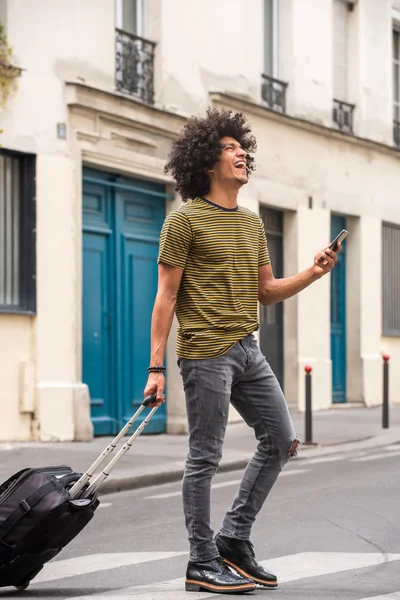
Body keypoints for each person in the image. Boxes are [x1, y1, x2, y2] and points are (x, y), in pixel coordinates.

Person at [144, 108, 340, 594]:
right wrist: (155, 367)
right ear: (208, 160)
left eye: (242, 147)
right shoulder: (184, 220)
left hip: (248, 350)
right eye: (231, 147)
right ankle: (200, 560)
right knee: (205, 456)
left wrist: (314, 272)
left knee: (281, 439)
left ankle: (233, 537)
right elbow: (165, 297)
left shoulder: (252, 225)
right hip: (205, 353)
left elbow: (267, 291)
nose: (242, 154)